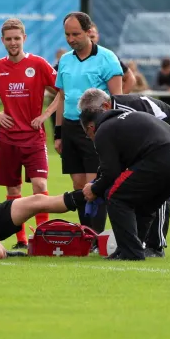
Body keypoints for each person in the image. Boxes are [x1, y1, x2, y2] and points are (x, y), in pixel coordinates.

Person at [79, 88, 170, 255]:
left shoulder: (105, 128)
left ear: (91, 125)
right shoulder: (120, 117)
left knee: (116, 196)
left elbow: (111, 172)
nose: (89, 139)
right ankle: (137, 247)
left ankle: (146, 248)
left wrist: (95, 189)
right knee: (145, 201)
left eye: (87, 134)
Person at [0, 18, 60, 250]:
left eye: (17, 38)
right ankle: (21, 240)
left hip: (33, 138)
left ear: (24, 39)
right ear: (3, 41)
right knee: (13, 191)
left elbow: (61, 90)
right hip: (8, 140)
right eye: (9, 39)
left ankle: (43, 237)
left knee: (40, 186)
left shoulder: (39, 64)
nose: (13, 43)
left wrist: (45, 115)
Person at [54, 12, 123, 235]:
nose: (71, 39)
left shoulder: (107, 58)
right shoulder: (64, 60)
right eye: (67, 34)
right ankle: (85, 233)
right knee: (77, 184)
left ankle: (96, 236)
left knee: (94, 184)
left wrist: (111, 133)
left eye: (76, 34)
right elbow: (62, 98)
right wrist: (58, 133)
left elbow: (117, 100)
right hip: (71, 128)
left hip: (97, 129)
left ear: (88, 31)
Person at [88, 23, 136, 93]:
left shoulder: (109, 57)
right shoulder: (70, 57)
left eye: (92, 37)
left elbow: (130, 79)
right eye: (87, 37)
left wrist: (117, 100)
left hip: (102, 103)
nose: (90, 40)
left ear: (97, 37)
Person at [47, 47, 67, 131]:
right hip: (55, 101)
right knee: (56, 127)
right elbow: (47, 84)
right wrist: (58, 94)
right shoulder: (53, 69)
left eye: (63, 55)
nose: (61, 57)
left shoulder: (70, 68)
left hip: (68, 104)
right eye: (59, 55)